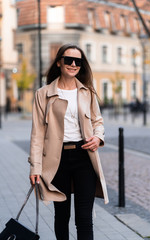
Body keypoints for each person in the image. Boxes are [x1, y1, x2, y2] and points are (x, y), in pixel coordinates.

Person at [29, 43, 109, 240]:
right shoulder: (43, 94)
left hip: (84, 158)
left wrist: (98, 137)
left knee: (84, 218)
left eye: (78, 61)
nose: (73, 64)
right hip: (57, 161)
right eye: (68, 60)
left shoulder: (87, 92)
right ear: (59, 62)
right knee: (62, 216)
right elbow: (37, 134)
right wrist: (35, 168)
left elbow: (98, 121)